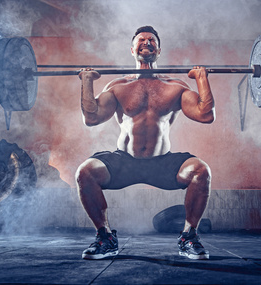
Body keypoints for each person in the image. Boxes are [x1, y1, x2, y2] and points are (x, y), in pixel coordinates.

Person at [76, 26, 215, 260]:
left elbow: (205, 115)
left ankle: (189, 237)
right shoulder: (118, 87)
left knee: (201, 171)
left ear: (158, 50)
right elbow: (92, 118)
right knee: (85, 173)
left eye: (152, 40)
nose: (146, 42)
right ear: (132, 49)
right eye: (141, 40)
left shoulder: (175, 87)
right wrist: (87, 81)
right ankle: (105, 237)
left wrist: (201, 79)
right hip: (124, 162)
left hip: (162, 163)